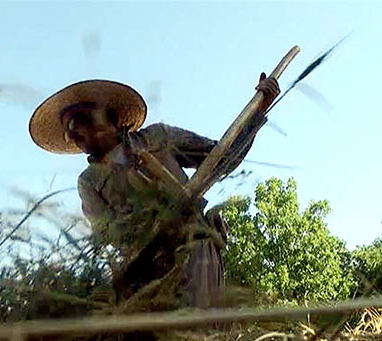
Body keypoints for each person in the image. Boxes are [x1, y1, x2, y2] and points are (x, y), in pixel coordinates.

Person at [29, 75, 279, 308]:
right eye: (68, 131)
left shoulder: (158, 138)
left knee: (199, 331)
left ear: (106, 117)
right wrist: (151, 223)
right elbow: (107, 232)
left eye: (77, 123)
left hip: (195, 249)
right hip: (148, 273)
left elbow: (221, 158)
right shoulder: (90, 181)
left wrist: (257, 113)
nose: (72, 134)